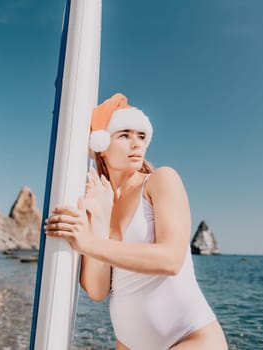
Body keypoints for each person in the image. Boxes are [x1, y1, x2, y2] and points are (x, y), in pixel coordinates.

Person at [44, 93, 228, 350]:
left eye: (141, 136)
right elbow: (97, 292)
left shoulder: (161, 180)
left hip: (191, 339)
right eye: (124, 135)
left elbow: (171, 259)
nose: (136, 144)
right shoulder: (100, 201)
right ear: (101, 146)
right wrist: (99, 221)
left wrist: (86, 242)